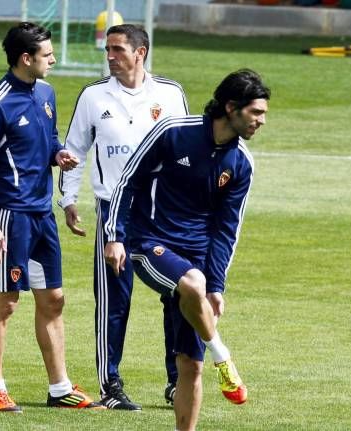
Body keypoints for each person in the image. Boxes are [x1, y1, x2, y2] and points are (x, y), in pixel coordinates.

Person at [104, 69, 271, 430]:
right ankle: (223, 357)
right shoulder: (173, 133)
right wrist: (114, 235)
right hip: (149, 244)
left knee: (189, 367)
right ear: (231, 107)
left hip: (195, 259)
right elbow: (128, 181)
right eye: (256, 112)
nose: (261, 121)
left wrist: (218, 287)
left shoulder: (241, 163)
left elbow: (227, 230)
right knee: (192, 282)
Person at [0, 22, 103, 413]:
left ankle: (60, 388)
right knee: (6, 302)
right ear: (26, 59)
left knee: (54, 300)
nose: (54, 59)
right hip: (11, 216)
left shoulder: (45, 92)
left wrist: (57, 154)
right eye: (47, 54)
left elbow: (47, 137)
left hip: (42, 213)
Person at [58, 24, 187, 410]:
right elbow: (74, 150)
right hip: (114, 212)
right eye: (108, 50)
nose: (110, 56)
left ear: (140, 52)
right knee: (114, 299)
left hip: (162, 212)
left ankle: (176, 381)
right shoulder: (94, 96)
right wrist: (67, 200)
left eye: (117, 49)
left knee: (178, 294)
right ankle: (109, 385)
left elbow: (184, 150)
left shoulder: (170, 93)